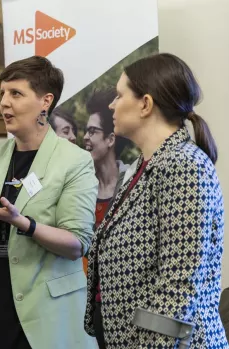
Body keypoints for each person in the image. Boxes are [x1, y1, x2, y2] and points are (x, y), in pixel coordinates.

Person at [0, 56, 98, 349]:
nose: (4, 102)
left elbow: (77, 244)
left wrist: (23, 223)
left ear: (46, 101)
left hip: (44, 314)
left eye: (16, 93)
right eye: (2, 93)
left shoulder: (74, 161)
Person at [84, 53, 229, 348]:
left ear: (145, 105)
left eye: (119, 95)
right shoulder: (141, 166)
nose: (111, 104)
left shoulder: (186, 166)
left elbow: (178, 285)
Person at [81, 88, 130, 348]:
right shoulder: (80, 187)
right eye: (86, 131)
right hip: (83, 305)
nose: (85, 138)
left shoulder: (132, 186)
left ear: (111, 139)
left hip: (120, 311)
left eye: (92, 131)